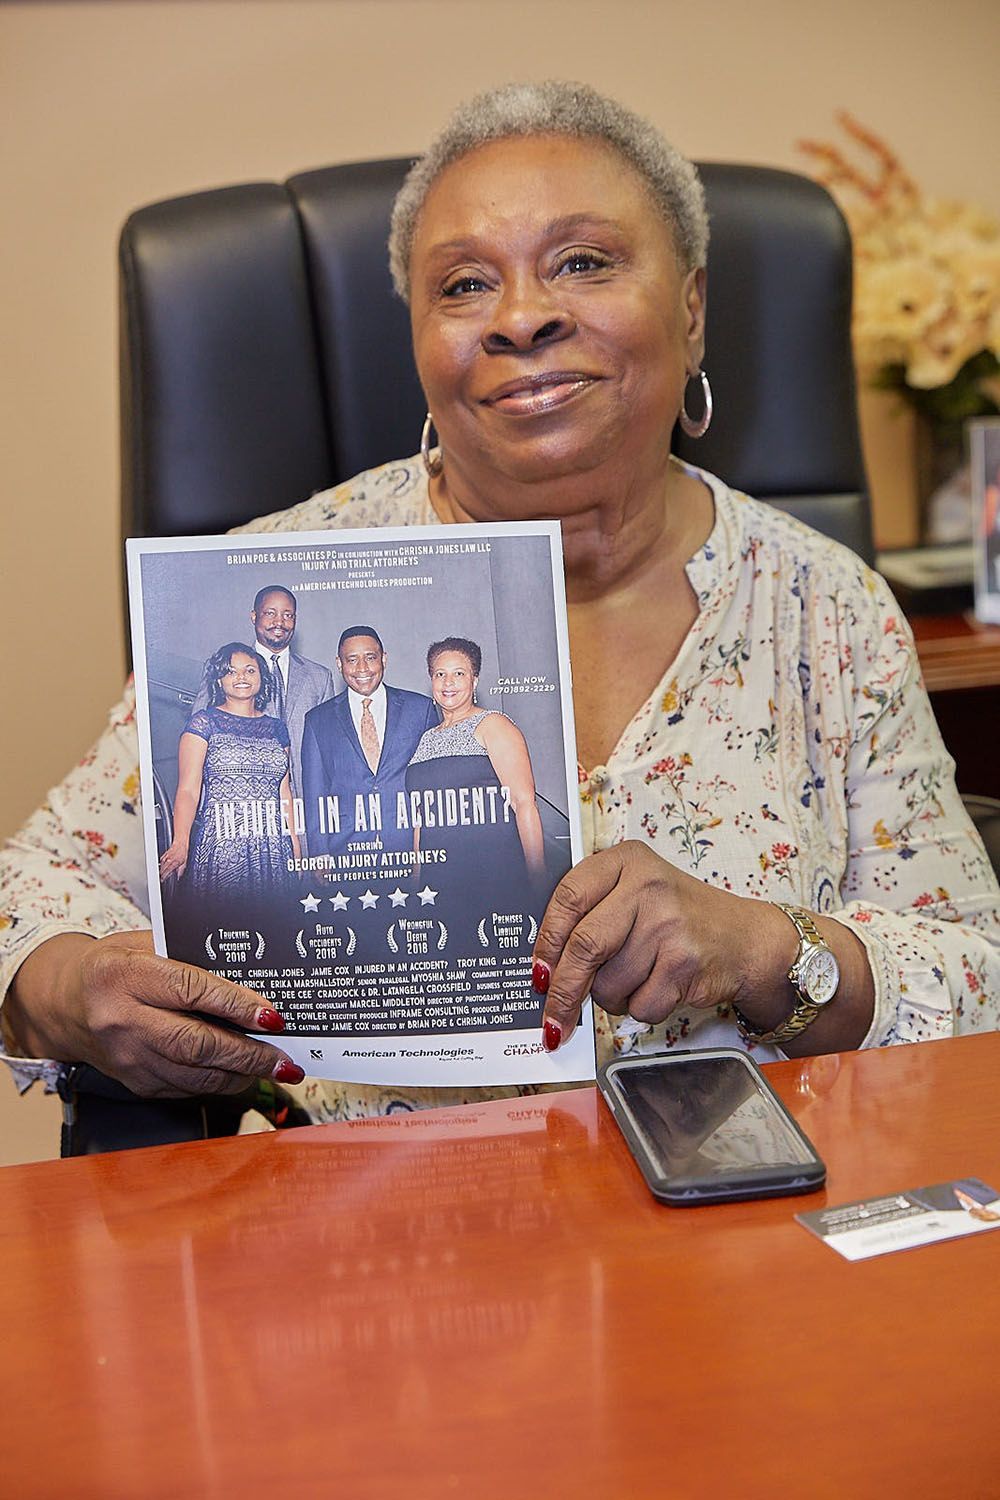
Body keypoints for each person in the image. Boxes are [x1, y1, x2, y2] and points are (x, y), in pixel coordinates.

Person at [1, 81, 998, 1120]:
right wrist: (72, 987)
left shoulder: (825, 608)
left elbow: (976, 971)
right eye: (465, 285)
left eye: (582, 261)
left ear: (692, 307)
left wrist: (768, 950)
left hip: (755, 1221)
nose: (522, 317)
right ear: (420, 341)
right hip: (391, 1242)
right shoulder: (276, 578)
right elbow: (23, 895)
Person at [405, 637, 548, 931]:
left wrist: (539, 883)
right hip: (438, 883)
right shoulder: (425, 740)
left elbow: (525, 805)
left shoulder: (493, 725)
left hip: (492, 873)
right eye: (439, 674)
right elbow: (421, 821)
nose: (448, 682)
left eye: (459, 673)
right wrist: (417, 883)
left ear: (475, 679)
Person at [159, 644, 301, 929]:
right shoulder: (204, 723)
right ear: (219, 679)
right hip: (223, 845)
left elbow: (284, 791)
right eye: (231, 671)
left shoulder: (277, 728)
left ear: (262, 677)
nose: (242, 677)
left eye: (250, 670)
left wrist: (296, 847)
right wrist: (180, 842)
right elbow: (188, 790)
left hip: (272, 846)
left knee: (277, 938)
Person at [299, 626, 438, 859]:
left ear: (384, 659)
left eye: (370, 658)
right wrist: (319, 852)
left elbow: (433, 785)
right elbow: (315, 794)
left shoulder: (420, 709)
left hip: (410, 848)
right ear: (339, 663)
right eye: (352, 659)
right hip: (345, 852)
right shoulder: (317, 720)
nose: (362, 668)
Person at [191, 585, 334, 803]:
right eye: (270, 613)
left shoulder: (320, 677)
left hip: (306, 804)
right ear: (254, 616)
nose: (279, 622)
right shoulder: (222, 670)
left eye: (288, 615)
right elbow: (198, 745)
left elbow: (329, 750)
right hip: (242, 803)